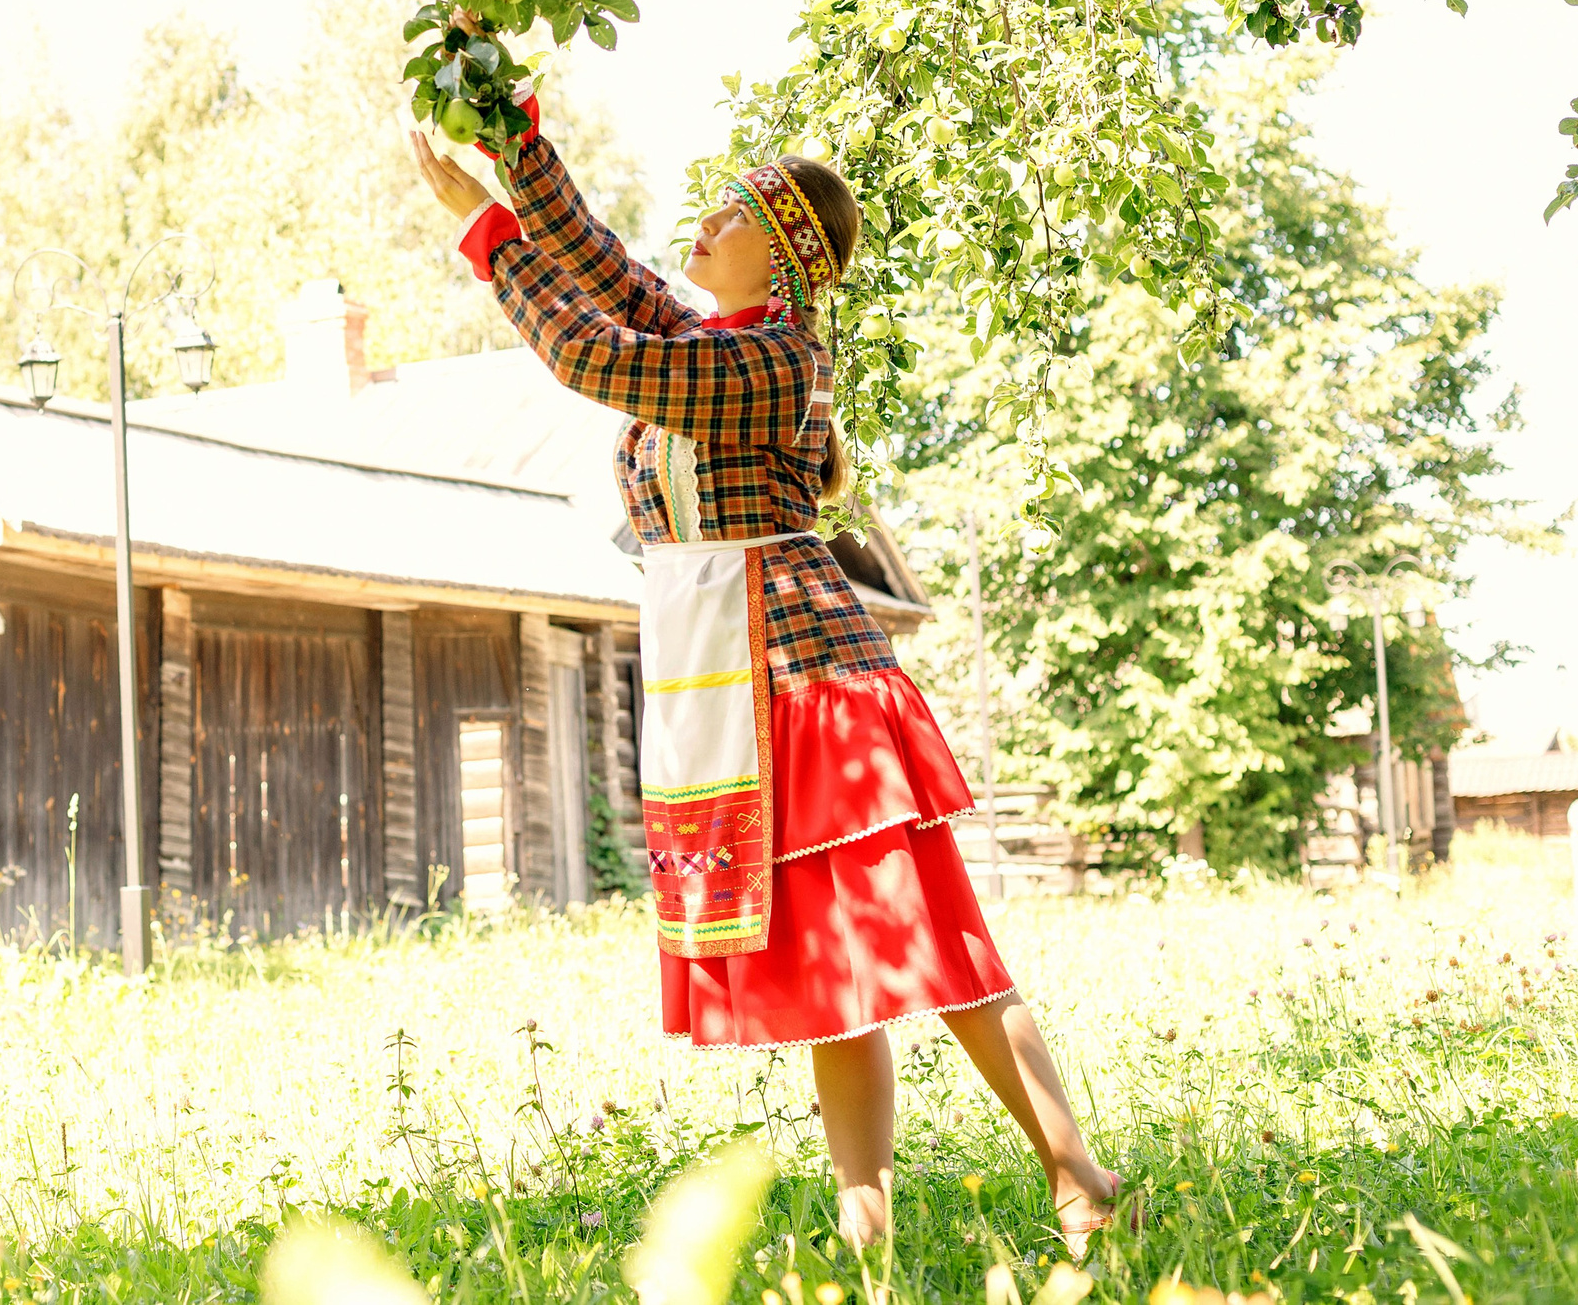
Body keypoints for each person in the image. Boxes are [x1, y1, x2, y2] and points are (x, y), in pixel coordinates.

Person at [408, 83, 1125, 1255]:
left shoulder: (774, 361)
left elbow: (591, 354)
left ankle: (1075, 1172)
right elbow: (597, 265)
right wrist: (512, 139)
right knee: (841, 978)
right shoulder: (711, 340)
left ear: (787, 257)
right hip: (735, 677)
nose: (705, 223)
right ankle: (866, 1232)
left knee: (928, 943)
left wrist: (490, 235)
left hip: (806, 685)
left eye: (735, 212)